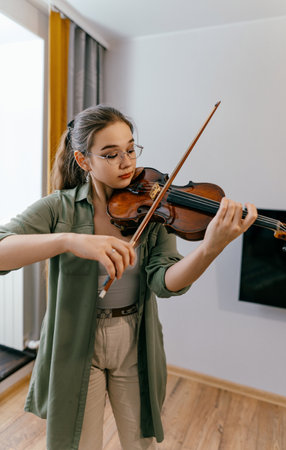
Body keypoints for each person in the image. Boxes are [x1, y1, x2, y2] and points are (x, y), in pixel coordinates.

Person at [0, 105, 257, 450]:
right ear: (83, 160)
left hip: (134, 337)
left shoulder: (154, 207)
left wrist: (210, 249)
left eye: (130, 149)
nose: (126, 162)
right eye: (110, 154)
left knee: (140, 443)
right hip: (75, 339)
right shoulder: (58, 208)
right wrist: (70, 240)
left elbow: (164, 282)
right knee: (78, 444)